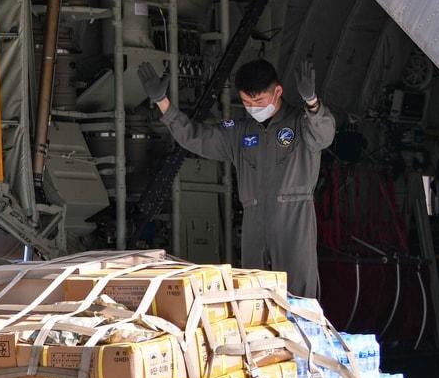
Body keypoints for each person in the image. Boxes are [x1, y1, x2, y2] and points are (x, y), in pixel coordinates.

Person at [137, 59, 335, 298]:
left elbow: (324, 136)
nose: (253, 107)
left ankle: (304, 333)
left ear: (278, 92)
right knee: (252, 293)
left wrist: (312, 103)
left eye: (259, 101)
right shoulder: (240, 130)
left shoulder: (301, 122)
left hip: (294, 217)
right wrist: (163, 103)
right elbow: (196, 137)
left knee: (300, 292)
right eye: (246, 102)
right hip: (254, 219)